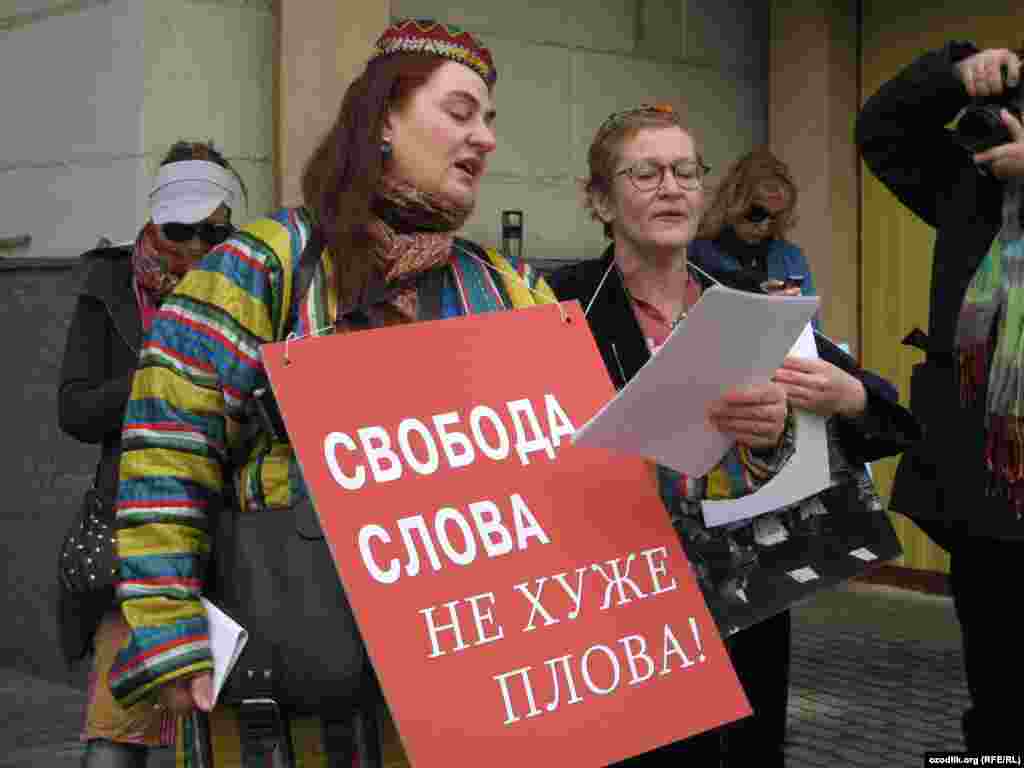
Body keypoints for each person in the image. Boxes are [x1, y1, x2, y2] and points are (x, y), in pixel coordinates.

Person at [109, 19, 555, 766]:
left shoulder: (510, 289)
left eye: (490, 120)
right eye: (460, 111)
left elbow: (577, 459)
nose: (485, 138)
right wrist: (169, 632)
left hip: (469, 694)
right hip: (293, 702)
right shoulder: (261, 268)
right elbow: (166, 457)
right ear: (382, 119)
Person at [548, 104, 920, 766]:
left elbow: (887, 419)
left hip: (746, 598)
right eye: (645, 173)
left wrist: (837, 399)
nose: (671, 187)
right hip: (615, 610)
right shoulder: (554, 305)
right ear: (599, 200)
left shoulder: (747, 298)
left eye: (686, 171)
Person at [857, 42, 1024, 751]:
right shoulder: (973, 183)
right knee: (996, 679)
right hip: (989, 477)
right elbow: (883, 131)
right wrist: (956, 71)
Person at [57, 140, 245, 767]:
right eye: (180, 230)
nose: (194, 248)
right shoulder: (110, 285)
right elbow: (76, 409)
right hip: (138, 531)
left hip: (236, 528)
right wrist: (160, 367)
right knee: (120, 723)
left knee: (232, 723)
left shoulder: (253, 282)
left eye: (211, 234)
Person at [691, 147, 816, 303]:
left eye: (774, 218)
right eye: (757, 213)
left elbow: (812, 323)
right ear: (734, 201)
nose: (764, 227)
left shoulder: (791, 259)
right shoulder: (695, 254)